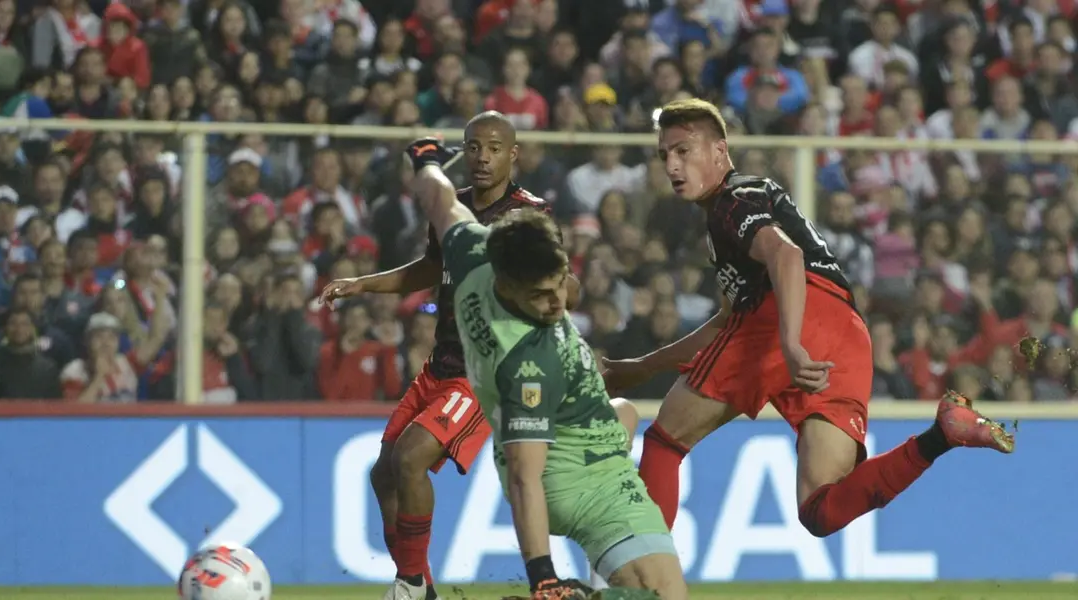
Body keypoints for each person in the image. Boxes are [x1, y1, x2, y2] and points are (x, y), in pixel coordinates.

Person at [601, 98, 1016, 543]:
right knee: (820, 510)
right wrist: (642, 367)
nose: (673, 165)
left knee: (665, 442)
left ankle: (642, 580)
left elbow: (786, 255)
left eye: (684, 150)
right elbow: (727, 321)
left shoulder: (731, 201)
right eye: (665, 154)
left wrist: (792, 344)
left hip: (790, 314)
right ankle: (941, 435)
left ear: (720, 151)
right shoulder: (743, 205)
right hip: (844, 330)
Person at [400, 138, 688, 600]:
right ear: (508, 287)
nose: (558, 303)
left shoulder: (475, 252)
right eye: (542, 296)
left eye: (559, 284)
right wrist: (543, 577)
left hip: (579, 443)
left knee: (624, 411)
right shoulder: (529, 362)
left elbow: (439, 199)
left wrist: (428, 160)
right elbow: (524, 476)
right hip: (581, 478)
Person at [318, 111, 555, 600]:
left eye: (494, 147)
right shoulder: (453, 207)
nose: (483, 157)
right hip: (440, 365)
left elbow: (557, 279)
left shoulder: (530, 214)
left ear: (514, 155)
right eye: (473, 147)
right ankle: (421, 584)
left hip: (484, 371)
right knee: (382, 474)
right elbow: (430, 267)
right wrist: (362, 284)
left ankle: (406, 584)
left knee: (410, 460)